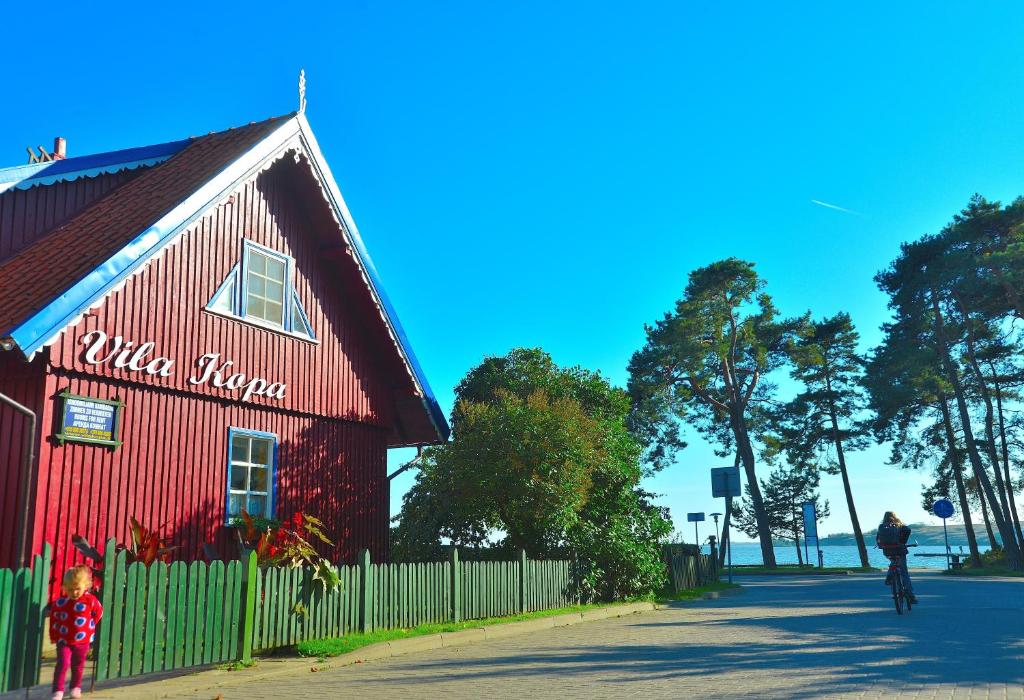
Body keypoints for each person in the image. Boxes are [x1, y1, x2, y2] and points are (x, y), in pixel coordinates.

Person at [49, 565, 103, 700]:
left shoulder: (89, 600)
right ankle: (58, 691)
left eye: (77, 589)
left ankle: (75, 687)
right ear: (65, 587)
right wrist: (54, 635)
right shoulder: (61, 603)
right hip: (64, 641)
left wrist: (91, 626)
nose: (74, 593)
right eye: (70, 589)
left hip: (83, 641)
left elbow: (99, 612)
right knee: (63, 663)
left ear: (86, 586)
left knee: (78, 665)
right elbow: (54, 619)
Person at [876, 511, 916, 604]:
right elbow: (908, 530)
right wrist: (902, 542)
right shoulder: (899, 525)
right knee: (904, 573)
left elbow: (878, 538)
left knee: (893, 561)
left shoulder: (881, 526)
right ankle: (911, 595)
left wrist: (880, 545)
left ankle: (890, 575)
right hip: (899, 550)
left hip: (887, 551)